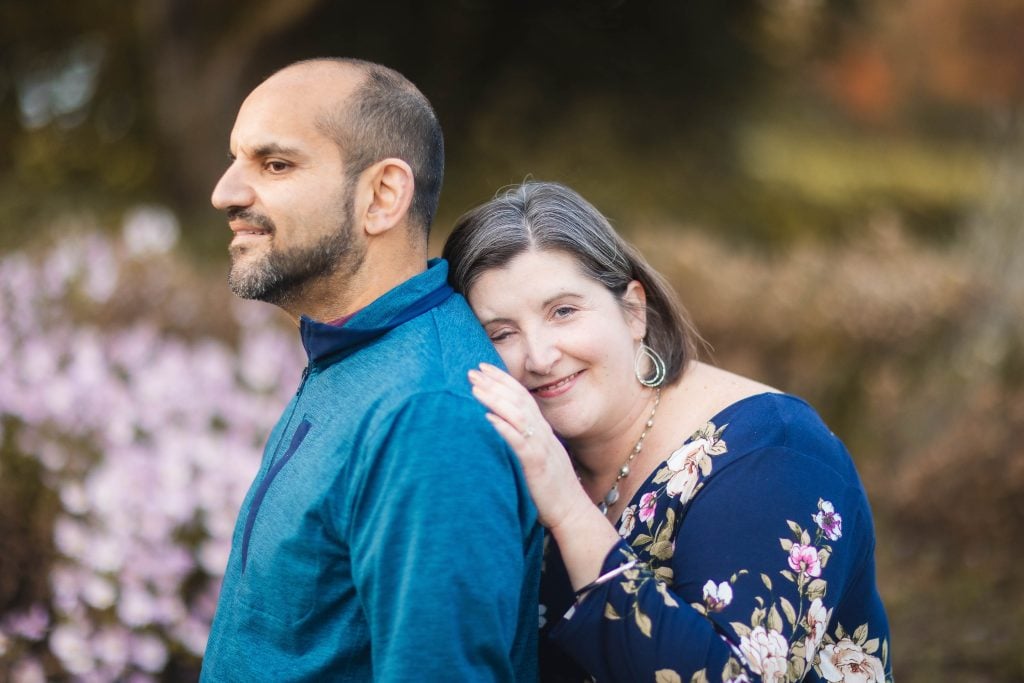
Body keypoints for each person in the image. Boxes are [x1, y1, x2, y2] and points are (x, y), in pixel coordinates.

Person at [443, 181, 892, 682]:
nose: (540, 356)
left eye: (563, 311)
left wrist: (570, 512)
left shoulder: (774, 452)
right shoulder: (525, 447)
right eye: (501, 333)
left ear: (634, 310)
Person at [200, 58, 542, 682]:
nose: (226, 192)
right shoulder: (353, 355)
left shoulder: (426, 415)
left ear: (382, 196)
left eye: (275, 164)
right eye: (236, 159)